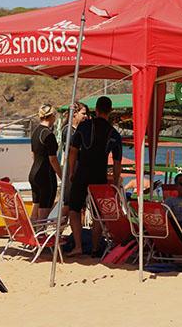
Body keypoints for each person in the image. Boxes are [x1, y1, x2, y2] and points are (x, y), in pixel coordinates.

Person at [67, 96, 123, 257]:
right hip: (100, 175)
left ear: (96, 110)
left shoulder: (84, 126)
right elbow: (117, 161)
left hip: (82, 172)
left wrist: (72, 171)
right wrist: (117, 181)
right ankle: (95, 247)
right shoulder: (114, 133)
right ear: (110, 111)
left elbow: (73, 150)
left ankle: (78, 246)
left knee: (74, 209)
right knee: (99, 214)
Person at [29, 104, 61, 221]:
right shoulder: (49, 135)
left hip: (33, 174)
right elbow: (52, 159)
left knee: (35, 208)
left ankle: (33, 234)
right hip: (45, 175)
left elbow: (33, 154)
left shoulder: (35, 132)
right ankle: (41, 235)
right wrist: (62, 176)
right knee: (44, 210)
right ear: (52, 116)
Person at [59, 102, 88, 213]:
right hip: (72, 168)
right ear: (75, 114)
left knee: (78, 205)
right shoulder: (69, 130)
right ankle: (59, 229)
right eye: (83, 113)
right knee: (69, 203)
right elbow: (71, 152)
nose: (85, 116)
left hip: (77, 169)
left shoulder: (78, 130)